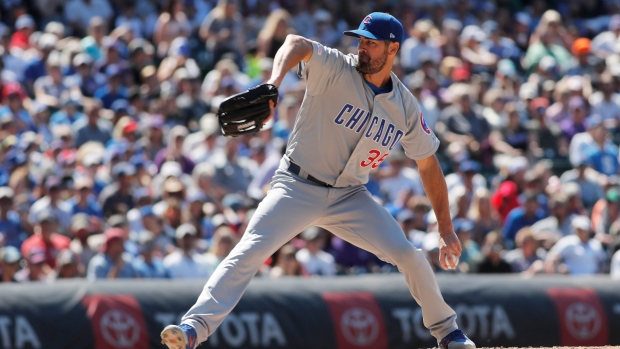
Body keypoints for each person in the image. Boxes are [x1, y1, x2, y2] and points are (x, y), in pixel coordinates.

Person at [161, 13, 475, 349]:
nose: (363, 48)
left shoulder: (405, 107)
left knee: (409, 255)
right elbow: (295, 43)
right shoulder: (337, 66)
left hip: (350, 196)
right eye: (361, 40)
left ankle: (448, 333)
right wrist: (273, 84)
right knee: (250, 250)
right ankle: (194, 328)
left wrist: (445, 228)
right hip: (297, 186)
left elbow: (428, 165)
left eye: (371, 42)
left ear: (393, 48)